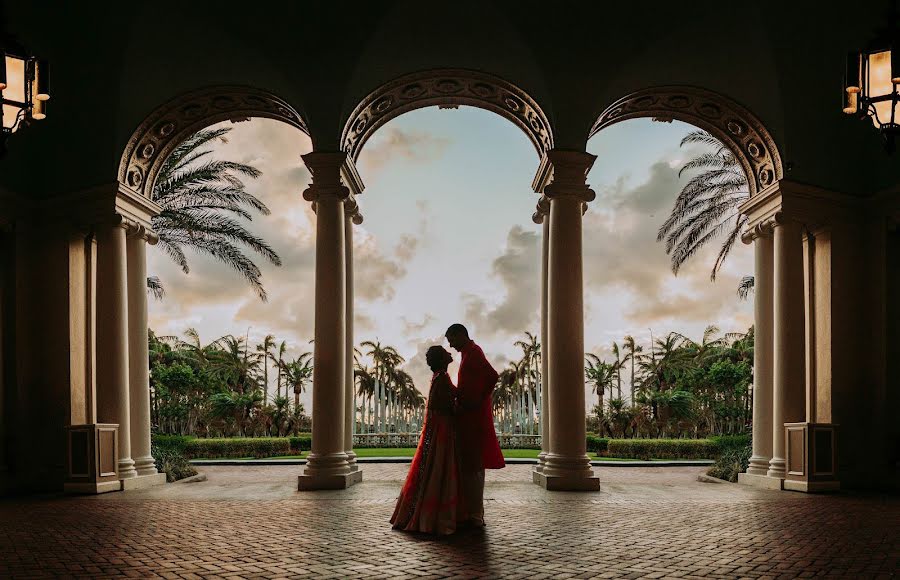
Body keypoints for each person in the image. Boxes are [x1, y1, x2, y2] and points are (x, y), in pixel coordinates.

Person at [390, 345, 463, 535]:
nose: (450, 353)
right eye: (445, 352)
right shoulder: (443, 378)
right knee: (439, 466)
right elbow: (446, 404)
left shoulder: (438, 378)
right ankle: (432, 515)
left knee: (434, 466)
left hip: (439, 427)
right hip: (442, 428)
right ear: (441, 359)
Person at [445, 323, 504, 528]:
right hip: (469, 417)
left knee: (474, 466)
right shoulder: (468, 354)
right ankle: (472, 511)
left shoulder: (474, 352)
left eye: (451, 340)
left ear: (460, 335)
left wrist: (477, 402)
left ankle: (475, 514)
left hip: (473, 418)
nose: (451, 346)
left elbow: (492, 376)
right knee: (470, 465)